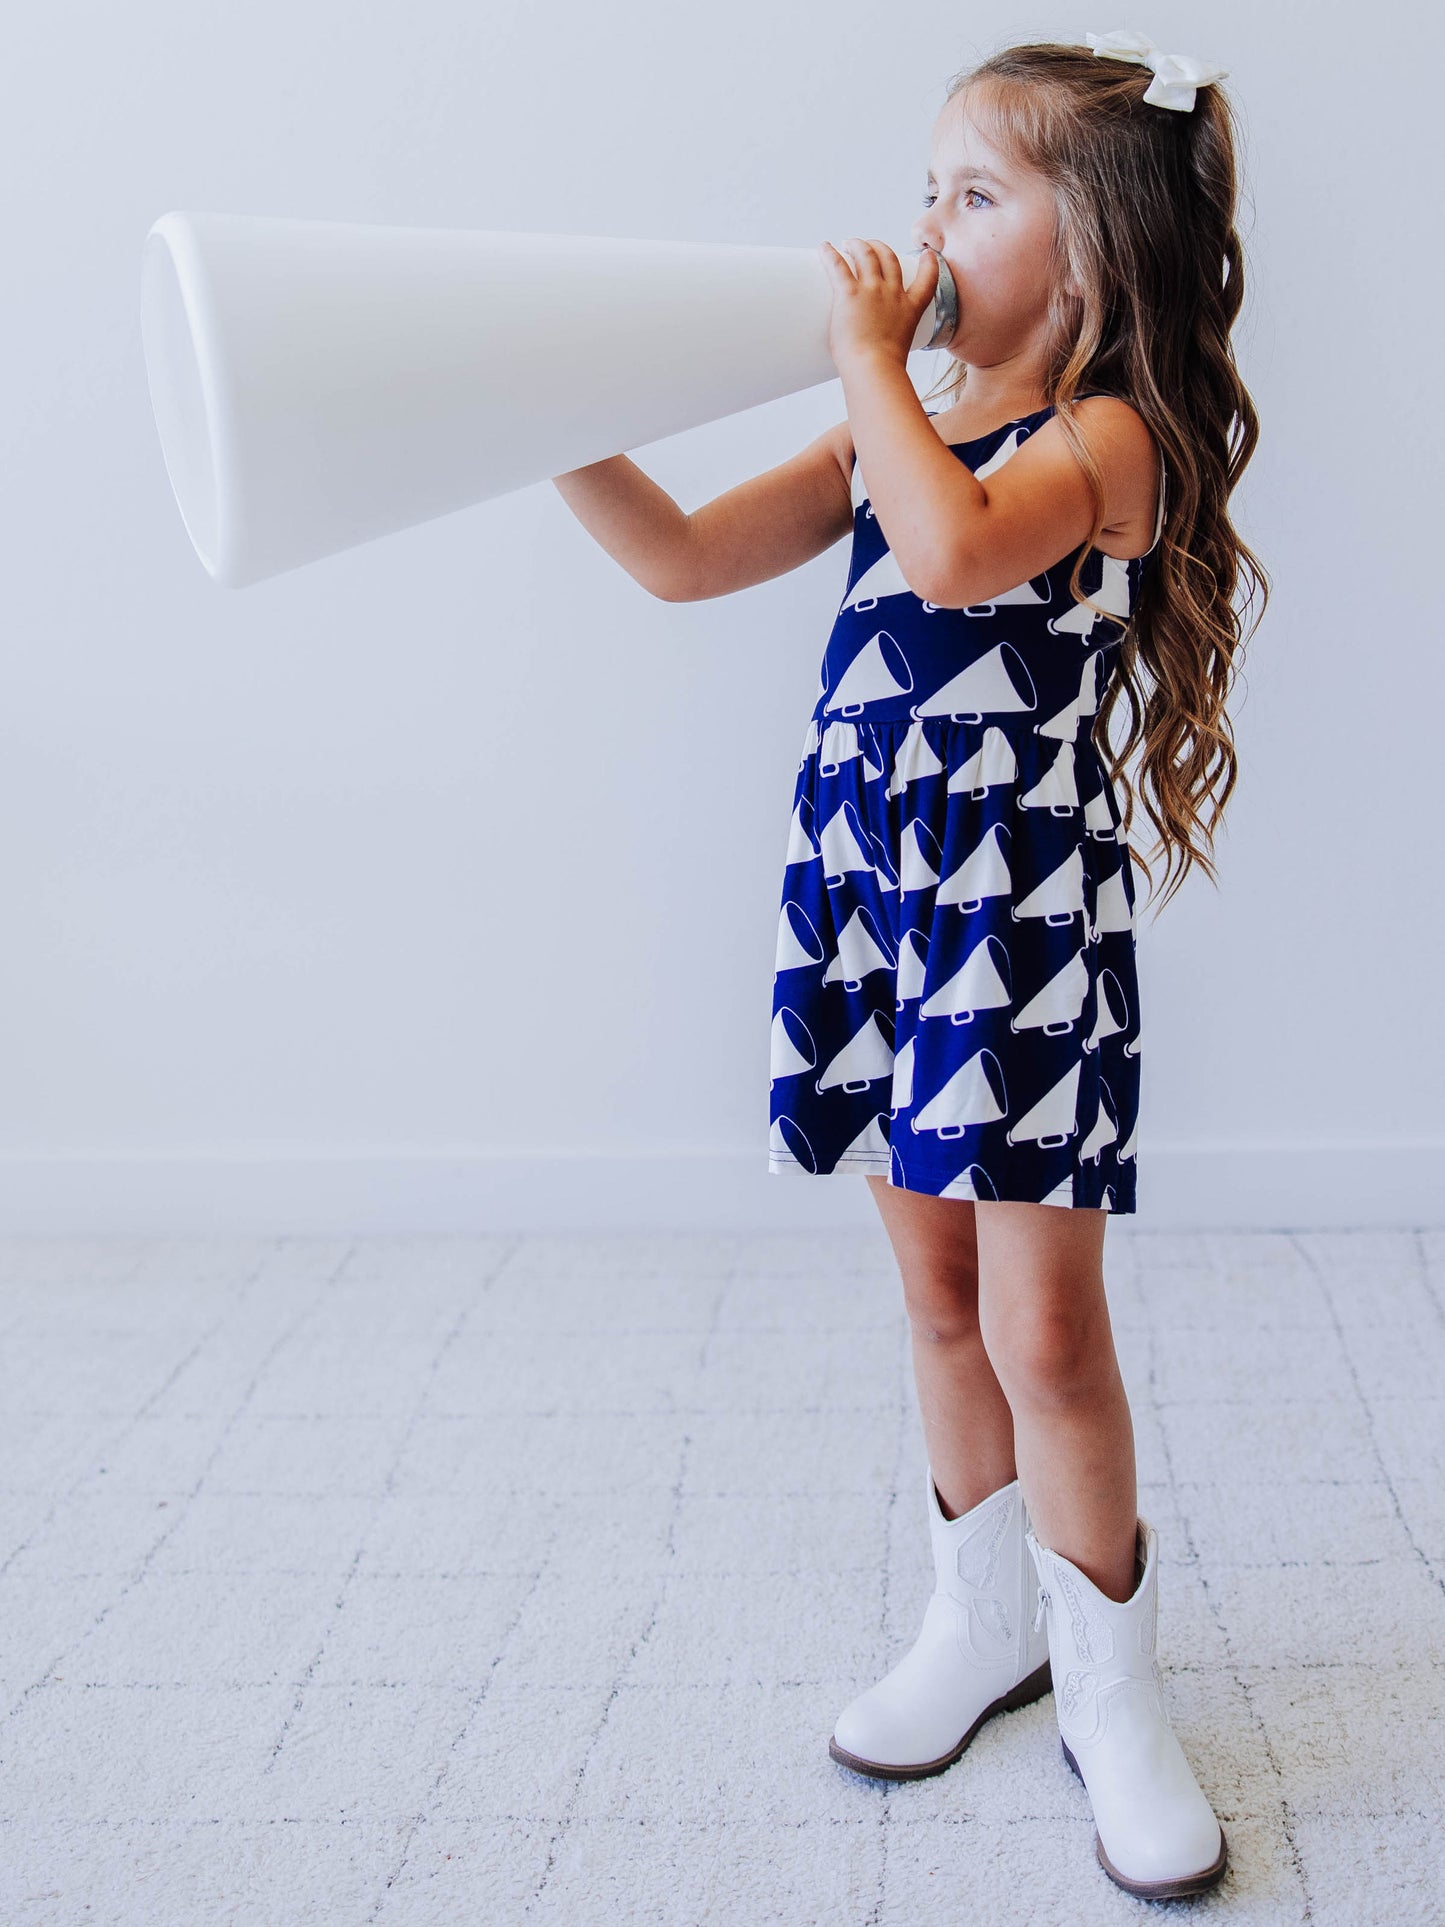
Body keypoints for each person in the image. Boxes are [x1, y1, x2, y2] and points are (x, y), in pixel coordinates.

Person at [551, 30, 1266, 1903]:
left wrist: (869, 360)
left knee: (1045, 1329)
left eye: (970, 193)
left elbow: (952, 563)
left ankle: (1113, 1689)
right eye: (922, 190)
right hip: (875, 900)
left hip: (1012, 921)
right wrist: (551, 423)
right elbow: (688, 561)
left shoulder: (1097, 441)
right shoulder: (907, 414)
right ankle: (983, 1621)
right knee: (936, 1296)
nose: (923, 231)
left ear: (1091, 252)